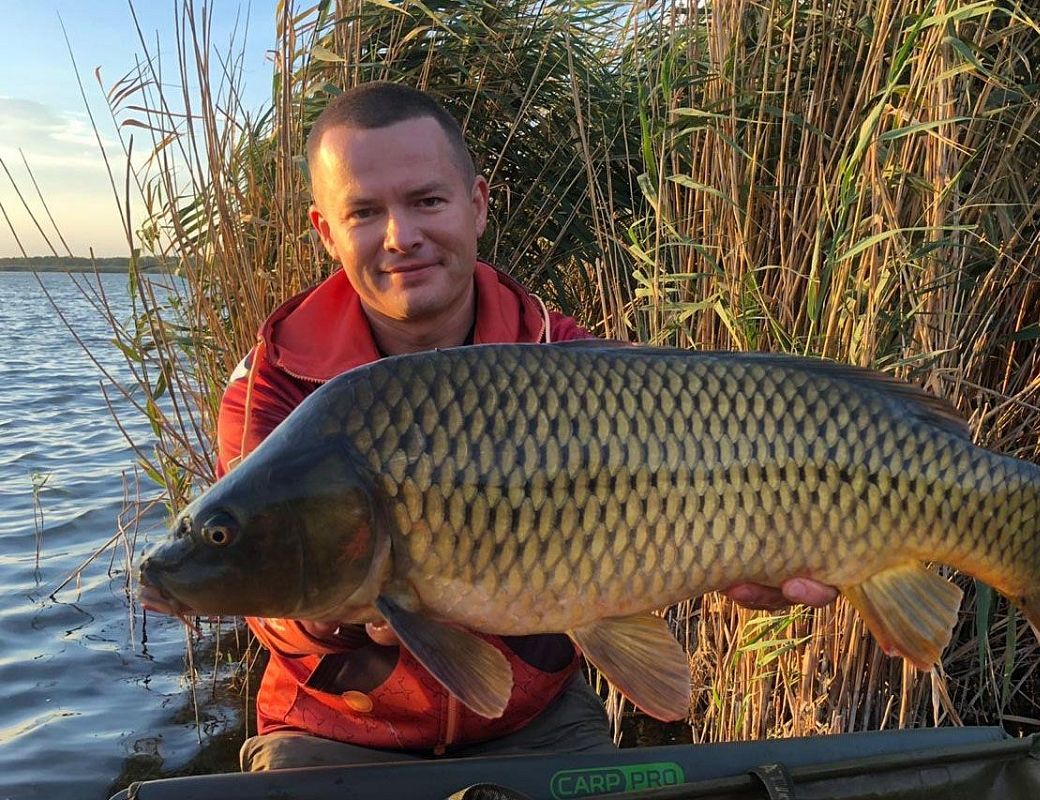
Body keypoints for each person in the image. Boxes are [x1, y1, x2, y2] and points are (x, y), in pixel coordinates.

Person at [215, 81, 838, 771]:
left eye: (427, 200)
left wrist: (766, 551)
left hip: (532, 719)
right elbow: (262, 590)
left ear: (476, 205)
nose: (402, 236)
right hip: (335, 732)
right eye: (365, 211)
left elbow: (706, 492)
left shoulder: (568, 365)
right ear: (327, 232)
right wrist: (350, 606)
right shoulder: (274, 384)